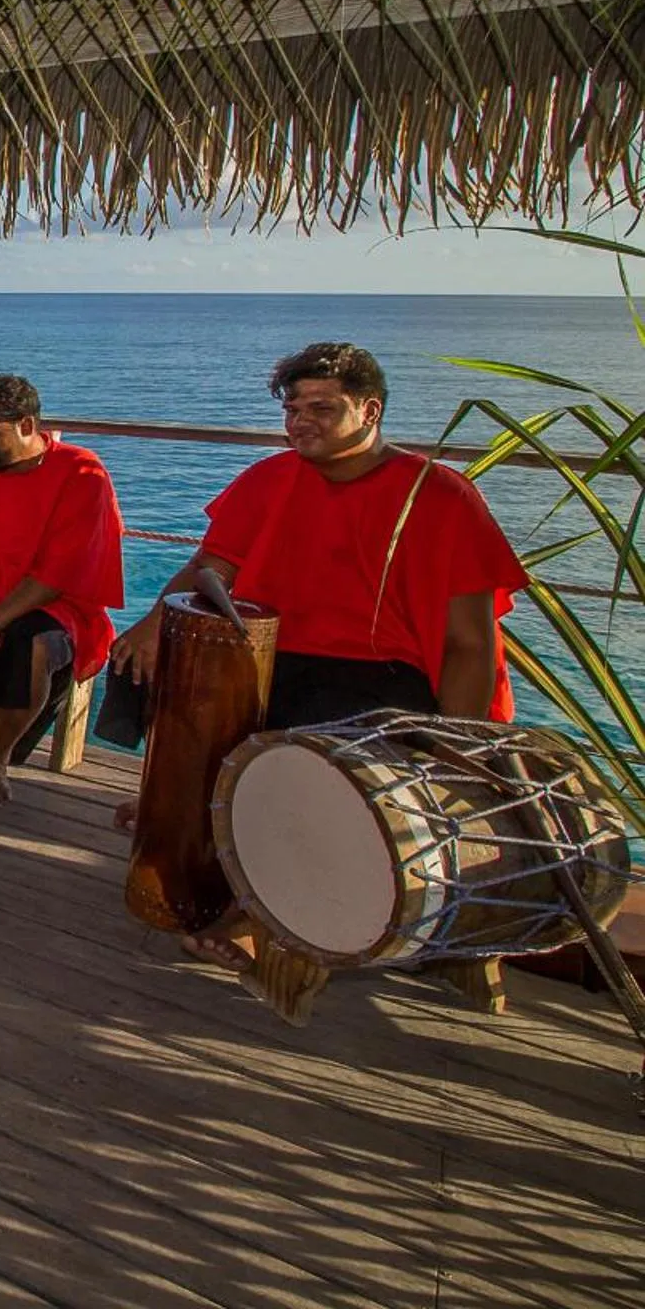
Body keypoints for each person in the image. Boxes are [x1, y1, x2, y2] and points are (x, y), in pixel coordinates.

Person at [107, 340, 528, 987]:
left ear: (371, 411)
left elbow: (470, 643)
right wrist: (146, 625)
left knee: (300, 748)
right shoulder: (270, 479)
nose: (301, 421)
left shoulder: (438, 496)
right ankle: (175, 822)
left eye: (322, 408)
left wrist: (458, 745)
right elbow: (211, 568)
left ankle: (258, 915)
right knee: (149, 675)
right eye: (294, 408)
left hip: (380, 672)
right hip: (272, 652)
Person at [0, 373, 125, 807]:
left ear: (27, 425)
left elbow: (60, 574)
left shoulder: (81, 472)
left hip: (58, 605)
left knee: (31, 642)